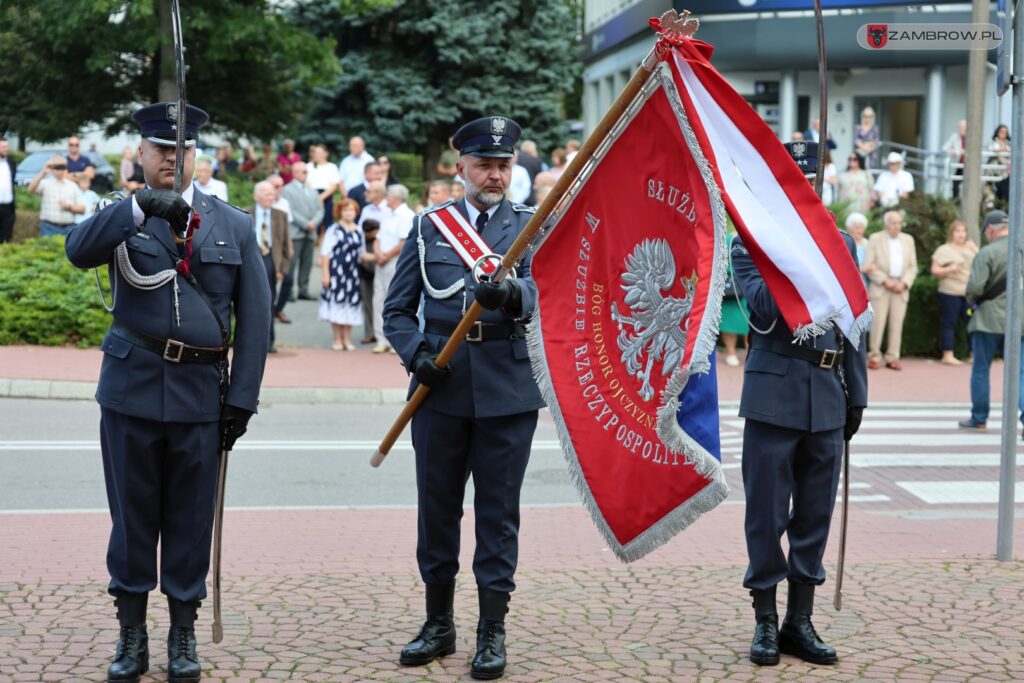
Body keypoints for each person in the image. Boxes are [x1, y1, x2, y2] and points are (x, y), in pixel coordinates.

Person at [64, 102, 270, 683]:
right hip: (131, 389)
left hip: (201, 395)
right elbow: (77, 251)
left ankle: (183, 634)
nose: (170, 160)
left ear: (195, 156)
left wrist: (243, 399)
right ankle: (132, 636)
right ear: (141, 153)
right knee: (131, 519)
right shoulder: (120, 215)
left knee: (189, 519)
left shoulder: (232, 224)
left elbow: (255, 322)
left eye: (181, 151)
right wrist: (135, 208)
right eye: (160, 150)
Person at [383, 116, 545, 680]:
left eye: (504, 165)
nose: (496, 175)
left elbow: (551, 295)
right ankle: (438, 623)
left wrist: (514, 292)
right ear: (462, 169)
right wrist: (415, 354)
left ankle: (491, 630)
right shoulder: (430, 228)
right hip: (442, 386)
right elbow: (397, 309)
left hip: (508, 390)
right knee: (438, 509)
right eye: (485, 165)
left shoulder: (532, 226)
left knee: (498, 516)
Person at [732, 144, 867, 665]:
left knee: (815, 513)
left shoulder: (843, 245)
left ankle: (799, 621)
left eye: (811, 179)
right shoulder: (753, 243)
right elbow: (765, 311)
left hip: (829, 391)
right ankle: (765, 620)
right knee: (766, 513)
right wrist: (803, 255)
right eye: (794, 180)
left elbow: (855, 322)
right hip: (774, 393)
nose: (804, 189)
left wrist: (859, 393)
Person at [958, 210, 1024, 433]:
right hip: (1019, 321)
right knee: (1020, 372)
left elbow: (975, 287)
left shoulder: (987, 252)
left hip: (988, 319)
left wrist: (971, 300)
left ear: (991, 229)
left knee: (981, 369)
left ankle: (979, 418)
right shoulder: (1021, 250)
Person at [863, 210, 918, 370]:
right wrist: (885, 280)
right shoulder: (875, 238)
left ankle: (893, 356)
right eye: (894, 222)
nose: (897, 226)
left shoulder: (908, 239)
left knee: (897, 324)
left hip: (901, 288)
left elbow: (912, 267)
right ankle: (874, 355)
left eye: (899, 222)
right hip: (881, 286)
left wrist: (904, 283)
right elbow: (869, 265)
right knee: (877, 322)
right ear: (886, 224)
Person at [247, 181, 292, 354]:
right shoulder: (246, 213)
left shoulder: (280, 215)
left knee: (269, 301)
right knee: (250, 301)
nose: (271, 197)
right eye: (267, 194)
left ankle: (269, 341)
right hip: (253, 258)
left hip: (272, 260)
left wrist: (283, 268)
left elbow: (286, 244)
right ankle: (250, 340)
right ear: (257, 196)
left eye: (273, 194)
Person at [319, 198, 365, 350]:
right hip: (336, 272)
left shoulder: (359, 230)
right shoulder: (333, 229)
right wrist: (326, 273)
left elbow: (362, 253)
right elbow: (325, 252)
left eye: (351, 210)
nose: (348, 213)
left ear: (356, 212)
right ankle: (337, 339)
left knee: (350, 303)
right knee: (337, 302)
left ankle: (347, 338)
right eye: (345, 210)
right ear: (340, 212)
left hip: (353, 273)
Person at [372, 184, 413, 353]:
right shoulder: (387, 214)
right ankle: (381, 339)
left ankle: (397, 340)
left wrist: (386, 256)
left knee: (396, 301)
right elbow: (378, 238)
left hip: (396, 262)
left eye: (388, 195)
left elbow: (404, 242)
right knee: (378, 300)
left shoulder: (406, 215)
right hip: (381, 262)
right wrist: (378, 254)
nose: (386, 197)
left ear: (396, 197)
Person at [931, 218, 978, 366]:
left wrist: (976, 251)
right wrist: (950, 269)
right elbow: (935, 270)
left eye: (963, 231)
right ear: (952, 232)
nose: (960, 234)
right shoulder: (944, 250)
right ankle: (948, 354)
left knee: (972, 321)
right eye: (957, 231)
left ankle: (973, 354)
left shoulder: (971, 249)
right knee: (949, 323)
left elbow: (984, 264)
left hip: (969, 295)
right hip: (950, 294)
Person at [280, 161, 324, 317]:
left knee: (307, 262)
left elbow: (320, 210)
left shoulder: (312, 191)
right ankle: (289, 290)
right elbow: (290, 210)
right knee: (292, 263)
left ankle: (303, 290)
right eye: (302, 171)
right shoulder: (287, 190)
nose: (305, 174)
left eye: (306, 171)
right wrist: (306, 224)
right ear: (294, 172)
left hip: (310, 233)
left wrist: (314, 223)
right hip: (296, 231)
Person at [28, 155, 82, 238]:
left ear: (65, 168)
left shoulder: (73, 186)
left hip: (68, 228)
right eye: (56, 167)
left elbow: (82, 209)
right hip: (48, 227)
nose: (59, 170)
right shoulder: (44, 183)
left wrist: (69, 207)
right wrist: (43, 173)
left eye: (61, 166)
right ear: (51, 168)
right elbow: (30, 189)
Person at [307, 144, 341, 244]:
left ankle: (325, 241)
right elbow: (307, 183)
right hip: (311, 196)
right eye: (315, 153)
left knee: (327, 220)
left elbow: (334, 185)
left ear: (326, 154)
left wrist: (321, 197)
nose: (317, 155)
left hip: (326, 196)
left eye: (319, 153)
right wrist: (316, 198)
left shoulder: (332, 167)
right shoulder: (308, 167)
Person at [845, 212, 870, 290]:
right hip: (849, 280)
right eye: (856, 228)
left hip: (865, 282)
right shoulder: (845, 243)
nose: (859, 231)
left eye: (861, 228)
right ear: (850, 228)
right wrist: (863, 269)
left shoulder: (868, 243)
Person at [989, 124, 1012, 202]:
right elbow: (994, 149)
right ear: (997, 132)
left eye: (1005, 132)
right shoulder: (993, 141)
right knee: (992, 191)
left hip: (1006, 173)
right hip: (995, 171)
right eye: (1001, 132)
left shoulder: (1009, 143)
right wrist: (1004, 148)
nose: (1003, 134)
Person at [945, 119, 967, 199]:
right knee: (955, 183)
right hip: (959, 164)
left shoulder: (972, 137)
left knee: (969, 185)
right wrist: (953, 151)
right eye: (960, 127)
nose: (961, 129)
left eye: (963, 127)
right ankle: (956, 201)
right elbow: (945, 148)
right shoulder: (955, 136)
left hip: (969, 166)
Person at [0, 137, 15, 243]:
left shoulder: (10, 161)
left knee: (7, 236)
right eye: (3, 147)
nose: (6, 149)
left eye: (7, 146)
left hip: (8, 206)